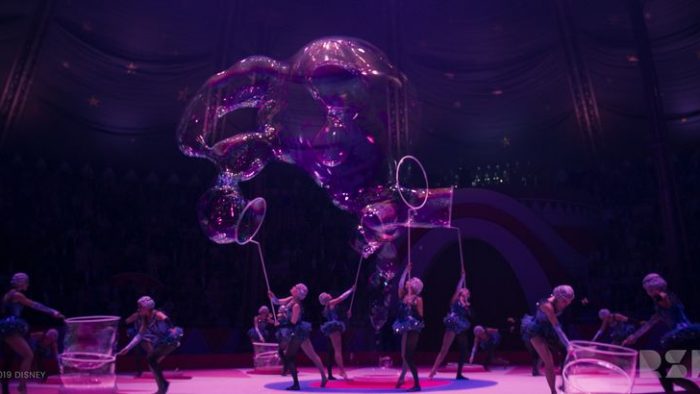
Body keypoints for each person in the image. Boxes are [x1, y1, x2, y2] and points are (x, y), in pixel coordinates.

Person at [622, 273, 700, 393]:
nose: (648, 292)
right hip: (687, 338)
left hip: (684, 337)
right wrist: (634, 336)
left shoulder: (664, 297)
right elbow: (650, 323)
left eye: (649, 289)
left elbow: (666, 302)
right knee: (673, 376)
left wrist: (660, 296)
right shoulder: (660, 304)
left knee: (660, 365)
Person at [0, 273, 64, 394]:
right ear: (21, 283)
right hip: (10, 327)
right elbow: (34, 305)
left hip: (6, 326)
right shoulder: (17, 295)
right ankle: (22, 386)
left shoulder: (8, 295)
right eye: (26, 282)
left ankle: (6, 389)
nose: (27, 285)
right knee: (28, 355)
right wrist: (52, 312)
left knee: (9, 358)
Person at [116, 296, 183, 394]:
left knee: (151, 359)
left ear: (147, 307)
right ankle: (162, 386)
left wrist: (171, 328)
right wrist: (127, 348)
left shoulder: (157, 314)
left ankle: (163, 385)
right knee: (151, 361)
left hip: (169, 340)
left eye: (140, 307)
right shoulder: (145, 318)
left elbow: (166, 319)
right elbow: (140, 335)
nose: (138, 309)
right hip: (160, 342)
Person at [269, 284, 327, 391]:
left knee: (292, 356)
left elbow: (293, 322)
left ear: (298, 292)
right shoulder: (290, 299)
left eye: (295, 287)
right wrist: (272, 296)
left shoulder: (296, 305)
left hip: (297, 332)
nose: (293, 287)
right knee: (311, 354)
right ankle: (323, 376)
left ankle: (296, 382)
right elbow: (277, 302)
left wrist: (281, 320)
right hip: (296, 331)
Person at [521, 285, 575, 394]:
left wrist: (567, 347)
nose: (567, 304)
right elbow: (557, 328)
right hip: (536, 331)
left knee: (566, 354)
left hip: (549, 329)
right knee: (549, 362)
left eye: (569, 301)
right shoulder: (547, 306)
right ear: (557, 297)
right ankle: (553, 391)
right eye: (564, 301)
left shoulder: (561, 301)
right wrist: (568, 344)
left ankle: (564, 384)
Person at [428, 273, 471, 380]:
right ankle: (433, 370)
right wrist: (462, 278)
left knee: (463, 350)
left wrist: (466, 305)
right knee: (444, 349)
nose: (466, 291)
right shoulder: (455, 300)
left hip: (461, 326)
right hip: (452, 323)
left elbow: (470, 315)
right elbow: (457, 290)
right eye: (464, 290)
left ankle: (459, 373)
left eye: (467, 291)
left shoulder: (466, 304)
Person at [392, 263, 424, 392]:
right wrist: (406, 270)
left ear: (414, 286)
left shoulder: (418, 299)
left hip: (414, 327)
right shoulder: (403, 296)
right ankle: (405, 378)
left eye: (410, 281)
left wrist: (414, 305)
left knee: (408, 356)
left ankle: (416, 384)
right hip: (405, 325)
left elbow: (421, 316)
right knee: (404, 355)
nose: (407, 282)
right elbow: (400, 284)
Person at [319, 285, 355, 380]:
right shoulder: (330, 303)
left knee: (336, 350)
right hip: (334, 327)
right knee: (338, 351)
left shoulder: (328, 306)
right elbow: (341, 297)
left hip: (333, 327)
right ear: (326, 299)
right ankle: (342, 370)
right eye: (327, 295)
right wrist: (351, 290)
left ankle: (340, 370)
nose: (329, 294)